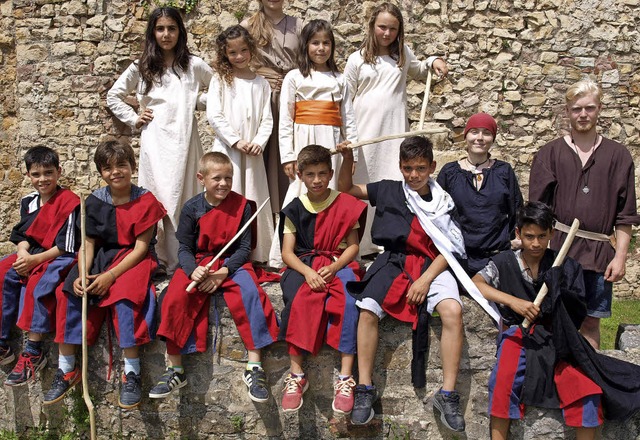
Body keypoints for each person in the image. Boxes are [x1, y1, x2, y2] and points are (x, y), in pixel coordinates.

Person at [472, 201, 640, 440]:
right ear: (518, 233)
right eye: (529, 236)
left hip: (559, 339)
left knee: (587, 391)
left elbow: (576, 311)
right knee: (502, 384)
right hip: (519, 336)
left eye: (542, 236)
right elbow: (477, 283)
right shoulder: (504, 262)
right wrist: (513, 301)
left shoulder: (565, 266)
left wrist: (558, 289)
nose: (536, 243)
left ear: (552, 233)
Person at [338, 136, 467, 431]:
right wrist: (347, 160)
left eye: (421, 168)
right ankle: (365, 389)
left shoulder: (443, 202)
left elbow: (450, 247)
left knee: (453, 312)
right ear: (400, 166)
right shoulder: (388, 189)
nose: (414, 175)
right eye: (408, 168)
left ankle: (447, 394)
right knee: (367, 308)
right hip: (394, 262)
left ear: (432, 166)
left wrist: (425, 279)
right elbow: (346, 188)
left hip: (434, 265)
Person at [152, 152, 279, 403]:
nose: (224, 184)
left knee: (251, 295)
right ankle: (175, 369)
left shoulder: (243, 206)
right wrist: (192, 271)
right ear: (201, 178)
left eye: (228, 178)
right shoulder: (191, 208)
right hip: (200, 262)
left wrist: (224, 273)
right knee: (175, 297)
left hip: (233, 264)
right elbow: (184, 248)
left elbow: (244, 248)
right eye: (217, 178)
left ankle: (254, 368)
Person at [47, 141, 166, 408]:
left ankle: (131, 372)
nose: (115, 172)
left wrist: (110, 276)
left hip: (134, 260)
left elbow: (141, 247)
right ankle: (66, 368)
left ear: (132, 167)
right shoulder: (93, 201)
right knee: (68, 293)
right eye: (107, 168)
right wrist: (82, 273)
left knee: (125, 298)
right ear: (100, 172)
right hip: (101, 257)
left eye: (121, 165)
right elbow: (87, 245)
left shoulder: (146, 200)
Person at [528, 78, 640, 349]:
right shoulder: (550, 154)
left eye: (589, 108)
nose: (583, 115)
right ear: (567, 111)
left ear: (599, 109)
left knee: (591, 322)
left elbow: (625, 216)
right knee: (554, 319)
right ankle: (555, 385)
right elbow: (536, 211)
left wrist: (621, 257)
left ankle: (590, 386)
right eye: (577, 109)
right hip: (559, 254)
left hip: (600, 256)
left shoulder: (618, 156)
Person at [107, 7, 213, 275]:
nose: (166, 34)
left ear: (180, 31)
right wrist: (134, 119)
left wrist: (197, 102)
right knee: (158, 197)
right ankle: (159, 257)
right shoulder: (142, 66)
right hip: (156, 141)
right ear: (153, 32)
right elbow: (114, 96)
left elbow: (219, 91)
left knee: (185, 196)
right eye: (160, 29)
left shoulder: (194, 65)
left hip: (186, 142)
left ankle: (186, 255)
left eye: (172, 28)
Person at [344, 2, 448, 256]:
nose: (387, 33)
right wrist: (351, 140)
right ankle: (359, 244)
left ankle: (385, 241)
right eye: (382, 27)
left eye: (392, 28)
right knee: (363, 183)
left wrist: (433, 61)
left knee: (390, 182)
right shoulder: (357, 59)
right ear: (372, 27)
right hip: (366, 130)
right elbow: (345, 100)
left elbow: (420, 70)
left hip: (394, 131)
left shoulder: (402, 55)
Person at [278, 145, 367, 414]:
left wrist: (337, 264)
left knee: (350, 301)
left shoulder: (345, 204)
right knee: (298, 298)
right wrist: (308, 272)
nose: (316, 180)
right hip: (304, 264)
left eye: (321, 174)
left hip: (337, 262)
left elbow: (353, 246)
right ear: (300, 176)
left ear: (330, 174)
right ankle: (296, 375)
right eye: (310, 174)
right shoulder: (294, 209)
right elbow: (287, 253)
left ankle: (345, 376)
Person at [269, 19, 358, 267]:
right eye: (315, 43)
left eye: (326, 43)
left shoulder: (340, 80)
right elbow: (286, 119)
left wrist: (353, 155)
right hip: (303, 141)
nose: (321, 48)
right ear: (306, 45)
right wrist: (288, 154)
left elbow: (349, 119)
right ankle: (286, 253)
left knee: (332, 193)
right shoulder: (294, 78)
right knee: (299, 193)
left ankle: (332, 247)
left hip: (332, 142)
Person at [0, 147, 79, 386]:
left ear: (59, 172)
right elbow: (23, 234)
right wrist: (23, 252)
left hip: (56, 256)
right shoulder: (28, 202)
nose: (42, 179)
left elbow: (66, 245)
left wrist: (34, 261)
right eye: (36, 174)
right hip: (31, 253)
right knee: (3, 272)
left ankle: (33, 350)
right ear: (28, 175)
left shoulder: (70, 202)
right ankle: (2, 342)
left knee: (38, 283)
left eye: (48, 173)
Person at [207, 25, 274, 263]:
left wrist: (257, 142)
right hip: (228, 151)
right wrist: (236, 141)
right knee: (226, 195)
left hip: (252, 153)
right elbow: (214, 115)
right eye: (233, 52)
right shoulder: (221, 81)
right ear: (225, 54)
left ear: (251, 50)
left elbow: (267, 119)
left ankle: (257, 251)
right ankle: (222, 249)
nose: (239, 56)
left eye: (243, 50)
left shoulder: (261, 84)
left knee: (252, 195)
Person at [437, 113, 523, 275]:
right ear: (466, 135)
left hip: (497, 257)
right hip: (459, 257)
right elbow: (438, 214)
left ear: (493, 138)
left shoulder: (503, 172)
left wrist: (514, 241)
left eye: (487, 133)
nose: (480, 138)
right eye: (474, 131)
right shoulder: (450, 172)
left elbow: (516, 210)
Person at [242, 0, 303, 212]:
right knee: (261, 155)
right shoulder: (248, 26)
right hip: (261, 97)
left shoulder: (299, 25)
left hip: (291, 97)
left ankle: (291, 212)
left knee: (289, 153)